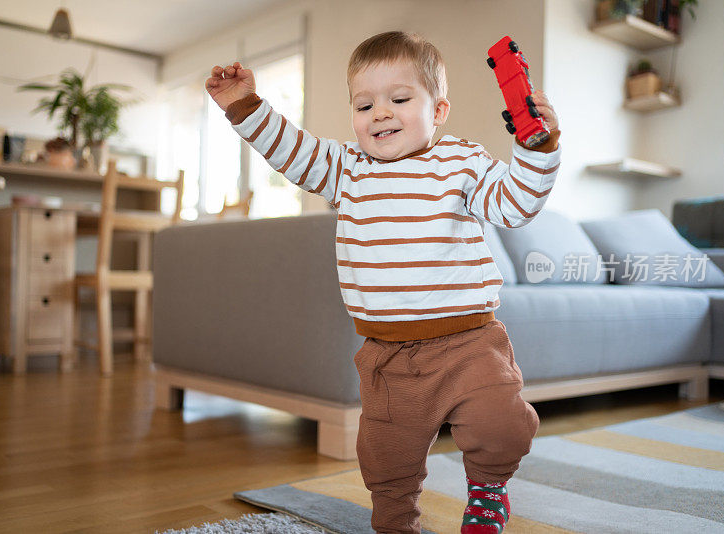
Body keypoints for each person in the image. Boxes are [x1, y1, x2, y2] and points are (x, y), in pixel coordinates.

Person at [206, 30, 561, 534]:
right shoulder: (346, 169)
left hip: (469, 342)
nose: (380, 113)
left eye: (399, 99)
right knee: (385, 460)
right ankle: (395, 523)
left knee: (501, 425)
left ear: (438, 111)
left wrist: (537, 147)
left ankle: (487, 492)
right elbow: (292, 148)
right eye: (364, 103)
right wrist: (244, 106)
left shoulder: (460, 161)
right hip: (388, 356)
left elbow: (517, 204)